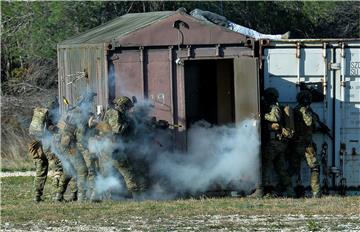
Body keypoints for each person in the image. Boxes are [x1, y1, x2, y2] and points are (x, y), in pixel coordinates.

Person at [250, 88, 294, 197]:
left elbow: (275, 117)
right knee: (281, 169)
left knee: (264, 166)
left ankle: (259, 190)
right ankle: (290, 191)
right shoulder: (275, 106)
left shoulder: (274, 107)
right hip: (279, 143)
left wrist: (262, 115)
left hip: (274, 143)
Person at [28, 97, 69, 202]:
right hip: (48, 145)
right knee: (57, 168)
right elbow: (54, 129)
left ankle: (37, 196)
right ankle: (56, 196)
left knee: (40, 171)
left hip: (37, 145)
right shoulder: (51, 116)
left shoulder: (40, 115)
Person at [57, 91, 97, 201]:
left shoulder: (70, 111)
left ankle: (59, 195)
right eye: (90, 101)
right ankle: (81, 198)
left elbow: (59, 128)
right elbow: (81, 136)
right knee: (82, 169)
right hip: (71, 147)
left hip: (63, 145)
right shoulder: (81, 115)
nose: (91, 103)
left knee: (69, 170)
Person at [190, 8, 290, 40]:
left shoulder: (195, 13)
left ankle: (280, 37)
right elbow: (207, 24)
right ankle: (280, 37)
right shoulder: (196, 13)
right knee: (256, 35)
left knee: (255, 35)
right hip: (230, 28)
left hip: (229, 26)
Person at [293, 90, 321, 198]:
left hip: (296, 144)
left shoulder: (295, 109)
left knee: (293, 168)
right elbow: (309, 123)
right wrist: (311, 115)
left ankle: (290, 190)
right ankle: (316, 193)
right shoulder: (304, 110)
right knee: (314, 167)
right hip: (306, 144)